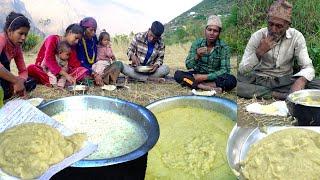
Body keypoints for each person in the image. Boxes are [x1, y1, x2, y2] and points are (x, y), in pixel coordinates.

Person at [237, 0, 320, 100]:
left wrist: (301, 80)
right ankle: (278, 95)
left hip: (285, 80)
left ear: (288, 25)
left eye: (279, 26)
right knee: (236, 83)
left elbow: (308, 67)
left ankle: (276, 93)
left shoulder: (296, 37)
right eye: (270, 24)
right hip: (259, 80)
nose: (273, 29)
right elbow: (242, 69)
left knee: (314, 82)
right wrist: (259, 53)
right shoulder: (257, 36)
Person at [174, 15, 237, 93]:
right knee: (178, 75)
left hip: (214, 77)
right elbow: (188, 65)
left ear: (219, 33)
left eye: (215, 31)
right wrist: (197, 56)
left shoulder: (224, 47)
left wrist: (205, 77)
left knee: (232, 80)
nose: (212, 33)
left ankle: (198, 85)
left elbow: (225, 70)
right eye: (209, 29)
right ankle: (204, 87)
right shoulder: (197, 44)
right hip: (197, 75)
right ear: (205, 30)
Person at [0, 11, 36, 104]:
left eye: (25, 34)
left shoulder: (17, 48)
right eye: (20, 33)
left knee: (31, 82)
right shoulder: (1, 39)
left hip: (4, 78)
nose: (24, 38)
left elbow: (23, 70)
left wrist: (21, 81)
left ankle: (8, 90)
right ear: (9, 31)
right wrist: (15, 81)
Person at [77, 17, 104, 86]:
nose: (93, 33)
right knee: (88, 81)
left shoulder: (94, 38)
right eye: (91, 30)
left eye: (95, 30)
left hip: (95, 67)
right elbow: (80, 62)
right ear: (84, 29)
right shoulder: (79, 41)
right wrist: (94, 73)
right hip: (84, 68)